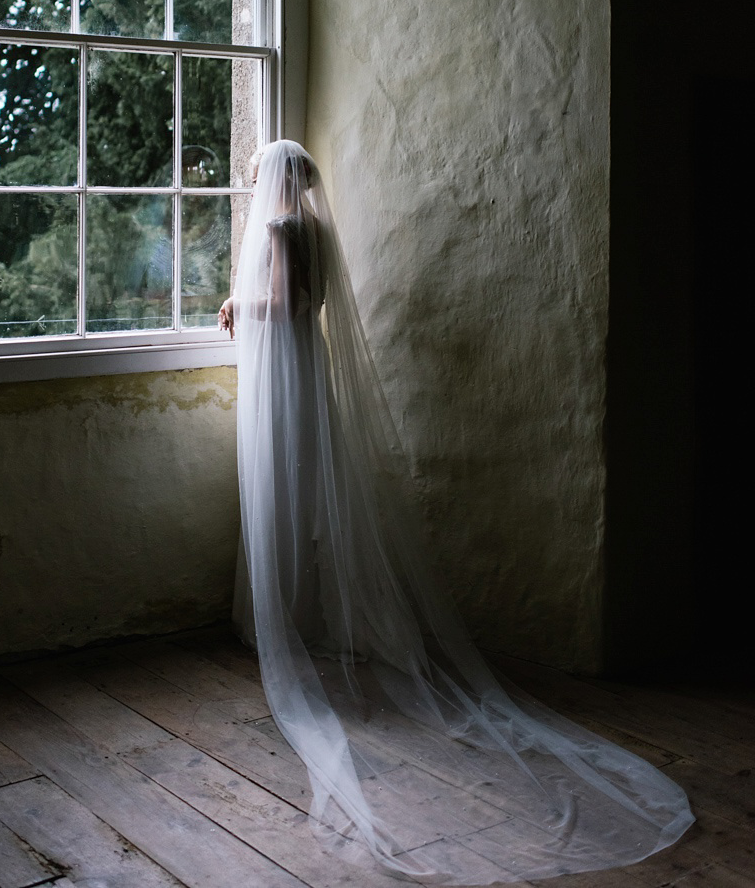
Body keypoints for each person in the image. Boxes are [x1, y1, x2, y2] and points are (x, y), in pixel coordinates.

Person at [220, 139, 693, 884]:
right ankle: (306, 614)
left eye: (256, 178)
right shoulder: (319, 231)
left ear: (272, 182)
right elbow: (317, 308)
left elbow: (282, 305)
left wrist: (235, 301)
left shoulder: (280, 234)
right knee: (313, 500)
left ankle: (287, 622)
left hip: (284, 375)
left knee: (283, 496)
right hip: (307, 375)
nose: (253, 189)